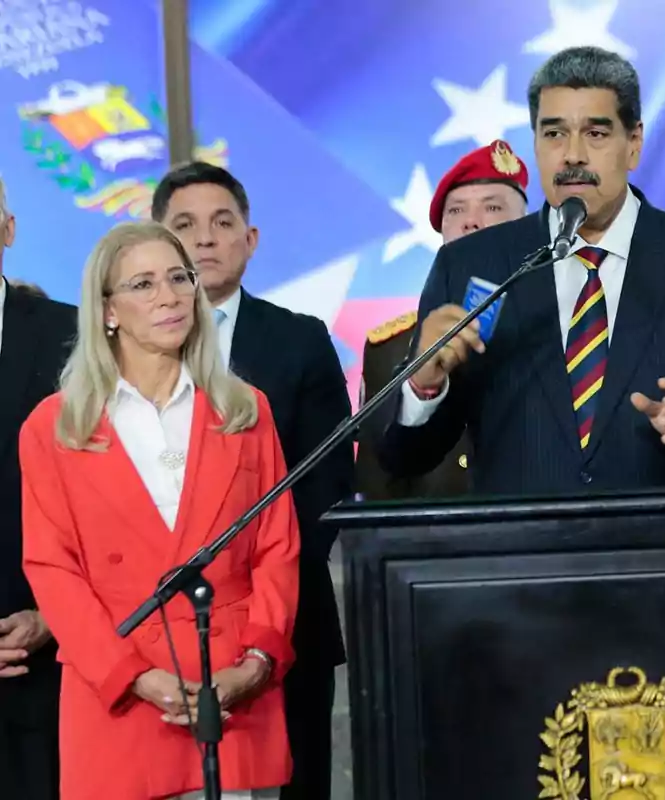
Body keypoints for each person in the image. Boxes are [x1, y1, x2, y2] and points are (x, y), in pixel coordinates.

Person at [377, 46, 665, 493]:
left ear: (633, 144)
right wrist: (424, 385)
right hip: (520, 556)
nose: (572, 155)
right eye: (554, 134)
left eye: (596, 134)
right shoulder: (474, 265)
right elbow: (404, 458)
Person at [19, 221, 300, 800]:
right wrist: (135, 677)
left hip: (228, 693)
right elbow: (52, 569)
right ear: (107, 311)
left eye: (179, 278)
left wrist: (256, 661)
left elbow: (279, 548)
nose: (169, 296)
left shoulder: (245, 411)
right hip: (118, 698)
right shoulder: (55, 426)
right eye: (143, 284)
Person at [150, 163, 353, 800]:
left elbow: (325, 485)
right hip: (159, 626)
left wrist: (261, 597)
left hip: (285, 616)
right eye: (184, 225)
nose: (205, 239)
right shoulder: (128, 349)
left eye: (222, 223)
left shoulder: (299, 340)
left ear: (252, 239)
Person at [356, 139, 529, 500]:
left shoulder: (563, 324)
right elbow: (379, 486)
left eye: (493, 207)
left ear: (528, 227)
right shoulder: (391, 348)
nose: (471, 222)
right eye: (456, 212)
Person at [0, 181, 75, 800]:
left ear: (8, 228)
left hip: (54, 655)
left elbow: (116, 495)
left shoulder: (71, 337)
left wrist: (57, 614)